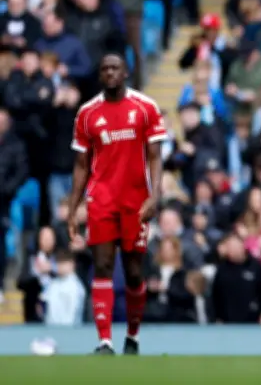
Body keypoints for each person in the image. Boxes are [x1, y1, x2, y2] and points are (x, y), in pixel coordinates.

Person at [67, 54, 166, 355]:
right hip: (102, 200)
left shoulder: (145, 108)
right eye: (104, 68)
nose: (109, 73)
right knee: (103, 265)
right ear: (100, 75)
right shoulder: (86, 113)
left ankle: (132, 336)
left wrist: (155, 194)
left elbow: (155, 156)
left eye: (115, 68)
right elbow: (82, 164)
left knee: (134, 272)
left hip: (135, 201)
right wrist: (73, 208)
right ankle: (105, 342)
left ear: (126, 73)